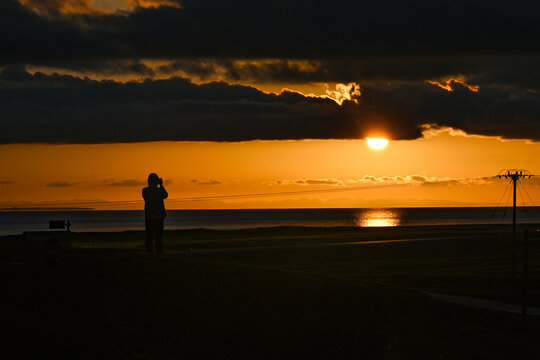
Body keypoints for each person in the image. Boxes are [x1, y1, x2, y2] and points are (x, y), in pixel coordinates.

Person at [142, 173, 168, 253]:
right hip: (158, 216)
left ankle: (149, 252)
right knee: (158, 236)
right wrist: (161, 185)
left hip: (149, 217)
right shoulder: (159, 190)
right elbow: (165, 195)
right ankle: (159, 252)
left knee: (149, 236)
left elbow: (165, 195)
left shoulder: (145, 190)